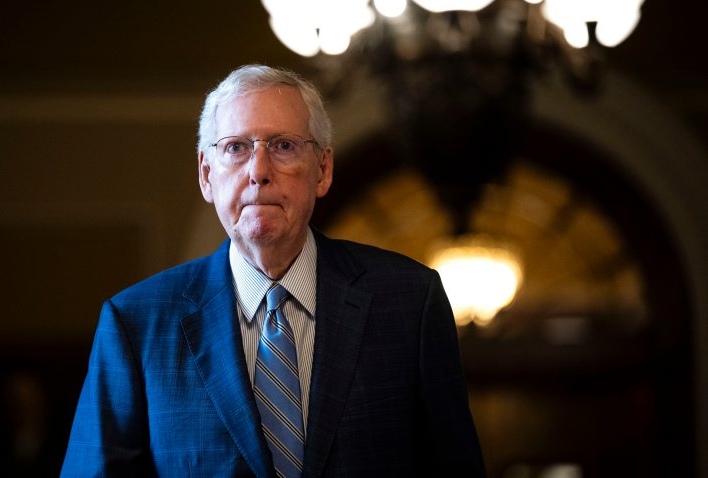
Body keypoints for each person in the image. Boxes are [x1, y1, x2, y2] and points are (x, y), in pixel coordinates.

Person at [60, 64, 486, 477]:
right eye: (236, 148)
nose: (259, 172)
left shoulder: (410, 301)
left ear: (323, 170)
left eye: (283, 146)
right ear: (207, 176)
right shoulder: (136, 322)